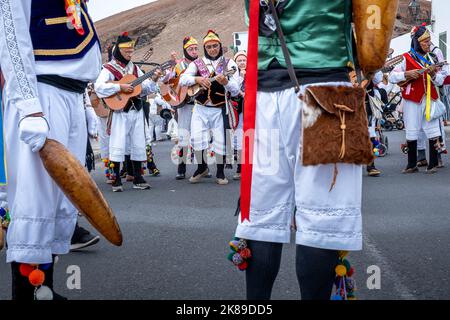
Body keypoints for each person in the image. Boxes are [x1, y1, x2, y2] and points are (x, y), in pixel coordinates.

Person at [234, 0, 394, 300]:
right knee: (323, 217)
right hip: (326, 90)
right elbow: (374, 43)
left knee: (262, 216)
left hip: (263, 97)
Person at [0, 0, 102, 299]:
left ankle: (43, 289)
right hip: (42, 91)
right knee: (36, 203)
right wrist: (30, 108)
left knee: (59, 202)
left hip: (71, 93)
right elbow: (10, 32)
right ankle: (27, 294)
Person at [95, 32, 160, 192]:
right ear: (118, 50)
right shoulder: (108, 68)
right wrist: (119, 87)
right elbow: (99, 87)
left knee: (138, 142)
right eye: (127, 51)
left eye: (131, 51)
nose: (130, 54)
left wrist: (155, 80)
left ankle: (138, 177)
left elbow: (143, 88)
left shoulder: (135, 68)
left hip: (136, 109)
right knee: (117, 143)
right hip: (119, 111)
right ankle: (116, 178)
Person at [180, 30, 240, 185]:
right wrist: (197, 78)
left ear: (220, 46)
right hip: (200, 107)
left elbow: (235, 88)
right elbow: (182, 80)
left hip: (220, 108)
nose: (212, 49)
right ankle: (202, 167)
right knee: (196, 138)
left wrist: (226, 82)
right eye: (209, 47)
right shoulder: (197, 63)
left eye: (215, 46)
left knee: (220, 139)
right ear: (205, 48)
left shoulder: (229, 64)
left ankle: (220, 172)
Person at [389, 24, 447, 174]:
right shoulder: (406, 58)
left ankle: (433, 163)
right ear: (417, 42)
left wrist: (434, 74)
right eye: (425, 42)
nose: (429, 44)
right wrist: (407, 74)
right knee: (412, 129)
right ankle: (411, 164)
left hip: (430, 98)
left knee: (433, 129)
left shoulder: (433, 58)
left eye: (429, 41)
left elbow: (441, 80)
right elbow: (392, 77)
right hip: (412, 99)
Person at [232, 51, 247, 180]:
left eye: (244, 60)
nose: (242, 62)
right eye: (239, 60)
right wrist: (241, 77)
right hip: (239, 109)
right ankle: (240, 168)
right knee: (240, 138)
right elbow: (233, 89)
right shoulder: (234, 76)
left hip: (252, 109)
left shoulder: (254, 73)